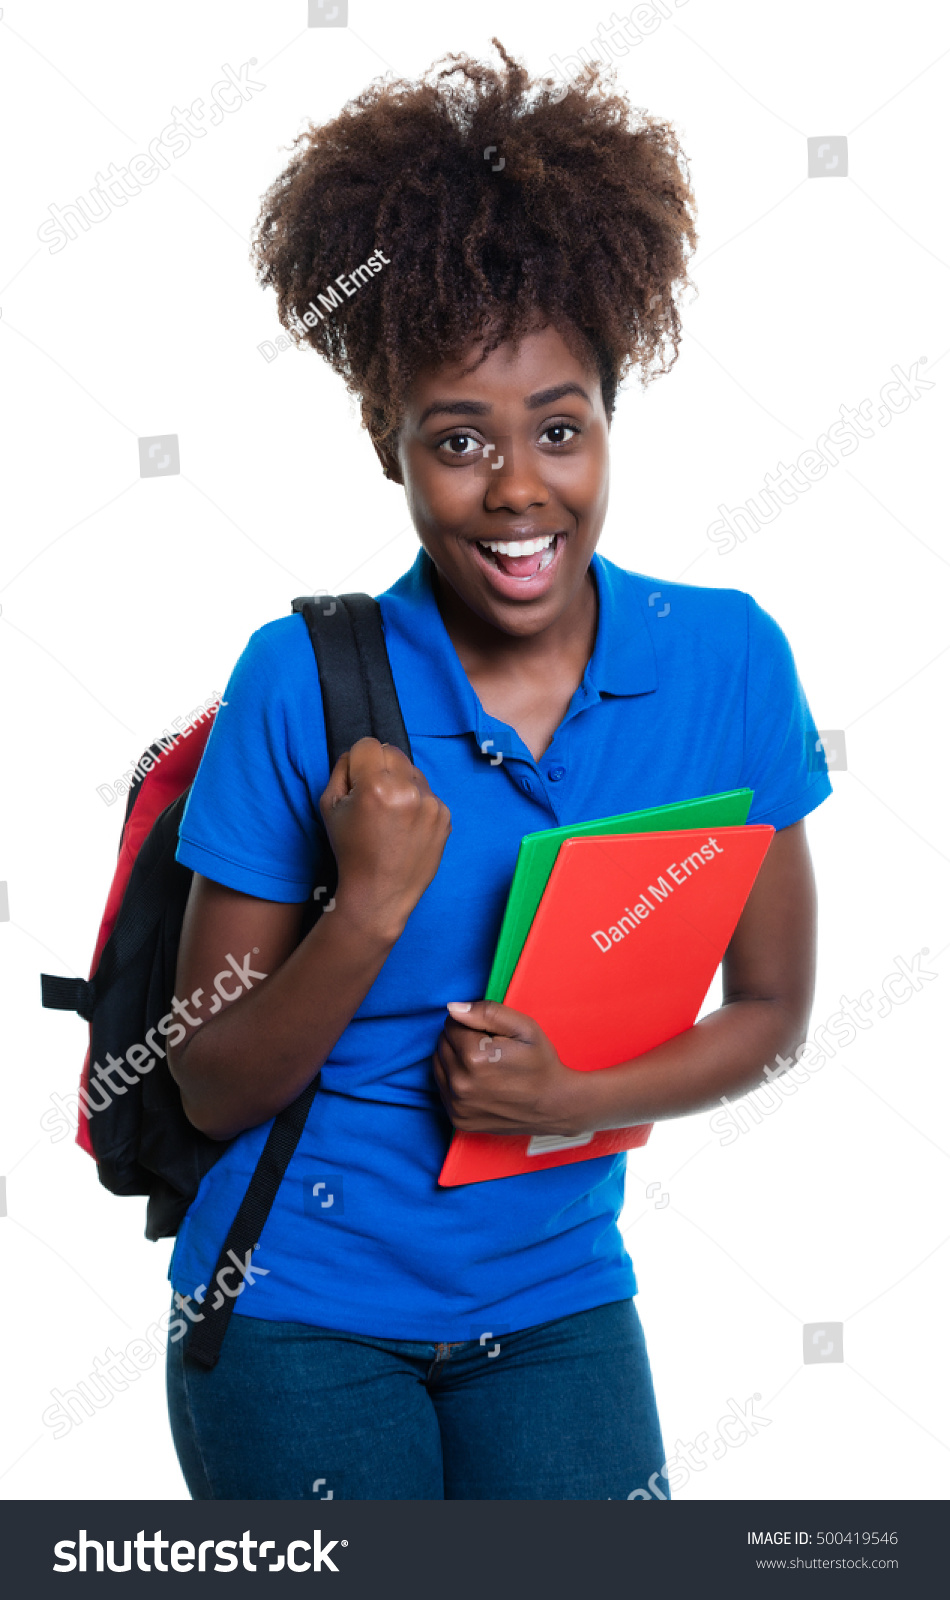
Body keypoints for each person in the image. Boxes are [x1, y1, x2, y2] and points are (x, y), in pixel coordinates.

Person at [164, 39, 832, 1500]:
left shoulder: (724, 664)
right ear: (387, 443)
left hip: (558, 1310)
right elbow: (205, 1083)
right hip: (294, 1317)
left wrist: (568, 1093)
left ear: (605, 422)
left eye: (558, 430)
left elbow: (772, 1009)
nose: (518, 488)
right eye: (460, 440)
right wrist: (365, 909)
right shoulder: (307, 681)